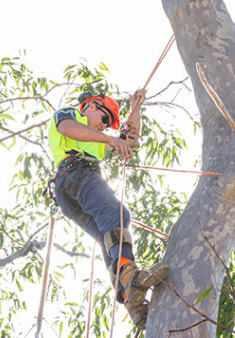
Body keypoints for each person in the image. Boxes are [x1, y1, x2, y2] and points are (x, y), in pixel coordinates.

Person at [47, 88, 168, 329]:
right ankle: (129, 274)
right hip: (75, 174)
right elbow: (67, 128)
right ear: (91, 106)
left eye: (108, 124)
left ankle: (131, 301)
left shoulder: (95, 141)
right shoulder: (70, 115)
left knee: (107, 237)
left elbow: (131, 142)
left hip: (68, 195)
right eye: (105, 119)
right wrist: (108, 138)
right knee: (117, 215)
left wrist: (136, 109)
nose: (105, 126)